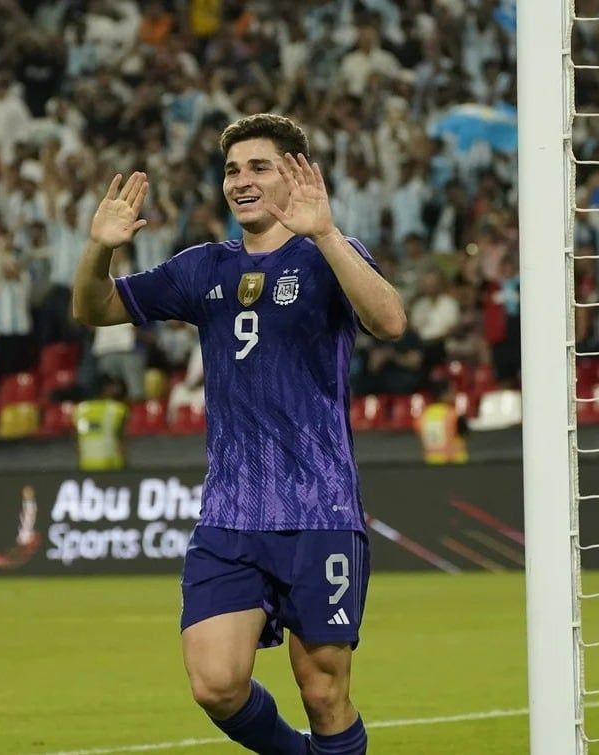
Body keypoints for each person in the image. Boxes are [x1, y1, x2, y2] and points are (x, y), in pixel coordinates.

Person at [72, 113, 406, 755]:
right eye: (232, 170)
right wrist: (99, 248)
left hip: (319, 510)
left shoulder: (325, 255)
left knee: (322, 691)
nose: (241, 180)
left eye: (258, 167)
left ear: (296, 174)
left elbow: (389, 319)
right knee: (215, 683)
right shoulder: (203, 269)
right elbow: (93, 308)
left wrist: (328, 233)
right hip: (231, 514)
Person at [73, 376, 129, 471]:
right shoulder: (117, 409)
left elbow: (77, 443)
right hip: (112, 467)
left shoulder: (79, 410)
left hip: (86, 466)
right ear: (107, 388)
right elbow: (121, 441)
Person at [415, 380, 468, 464]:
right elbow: (465, 434)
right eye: (452, 392)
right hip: (454, 463)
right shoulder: (453, 414)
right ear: (443, 394)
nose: (455, 395)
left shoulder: (422, 416)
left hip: (431, 463)